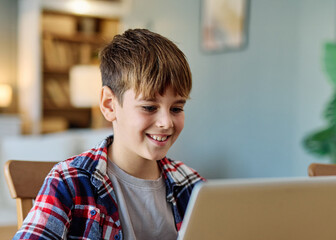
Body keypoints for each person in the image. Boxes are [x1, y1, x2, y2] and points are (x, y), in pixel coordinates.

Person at [13, 29, 205, 240]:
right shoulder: (69, 181)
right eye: (149, 107)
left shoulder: (193, 184)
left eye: (176, 109)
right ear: (109, 105)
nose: (166, 122)